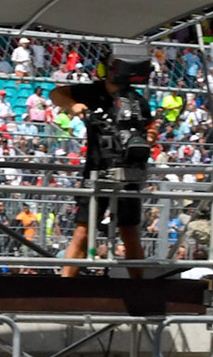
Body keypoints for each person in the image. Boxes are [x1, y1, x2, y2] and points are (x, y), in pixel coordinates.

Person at [50, 43, 156, 277]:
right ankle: (65, 286)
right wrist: (73, 106)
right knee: (83, 232)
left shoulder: (136, 101)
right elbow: (55, 94)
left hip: (128, 173)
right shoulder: (92, 92)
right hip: (96, 169)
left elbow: (150, 128)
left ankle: (139, 288)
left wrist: (148, 136)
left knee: (129, 233)